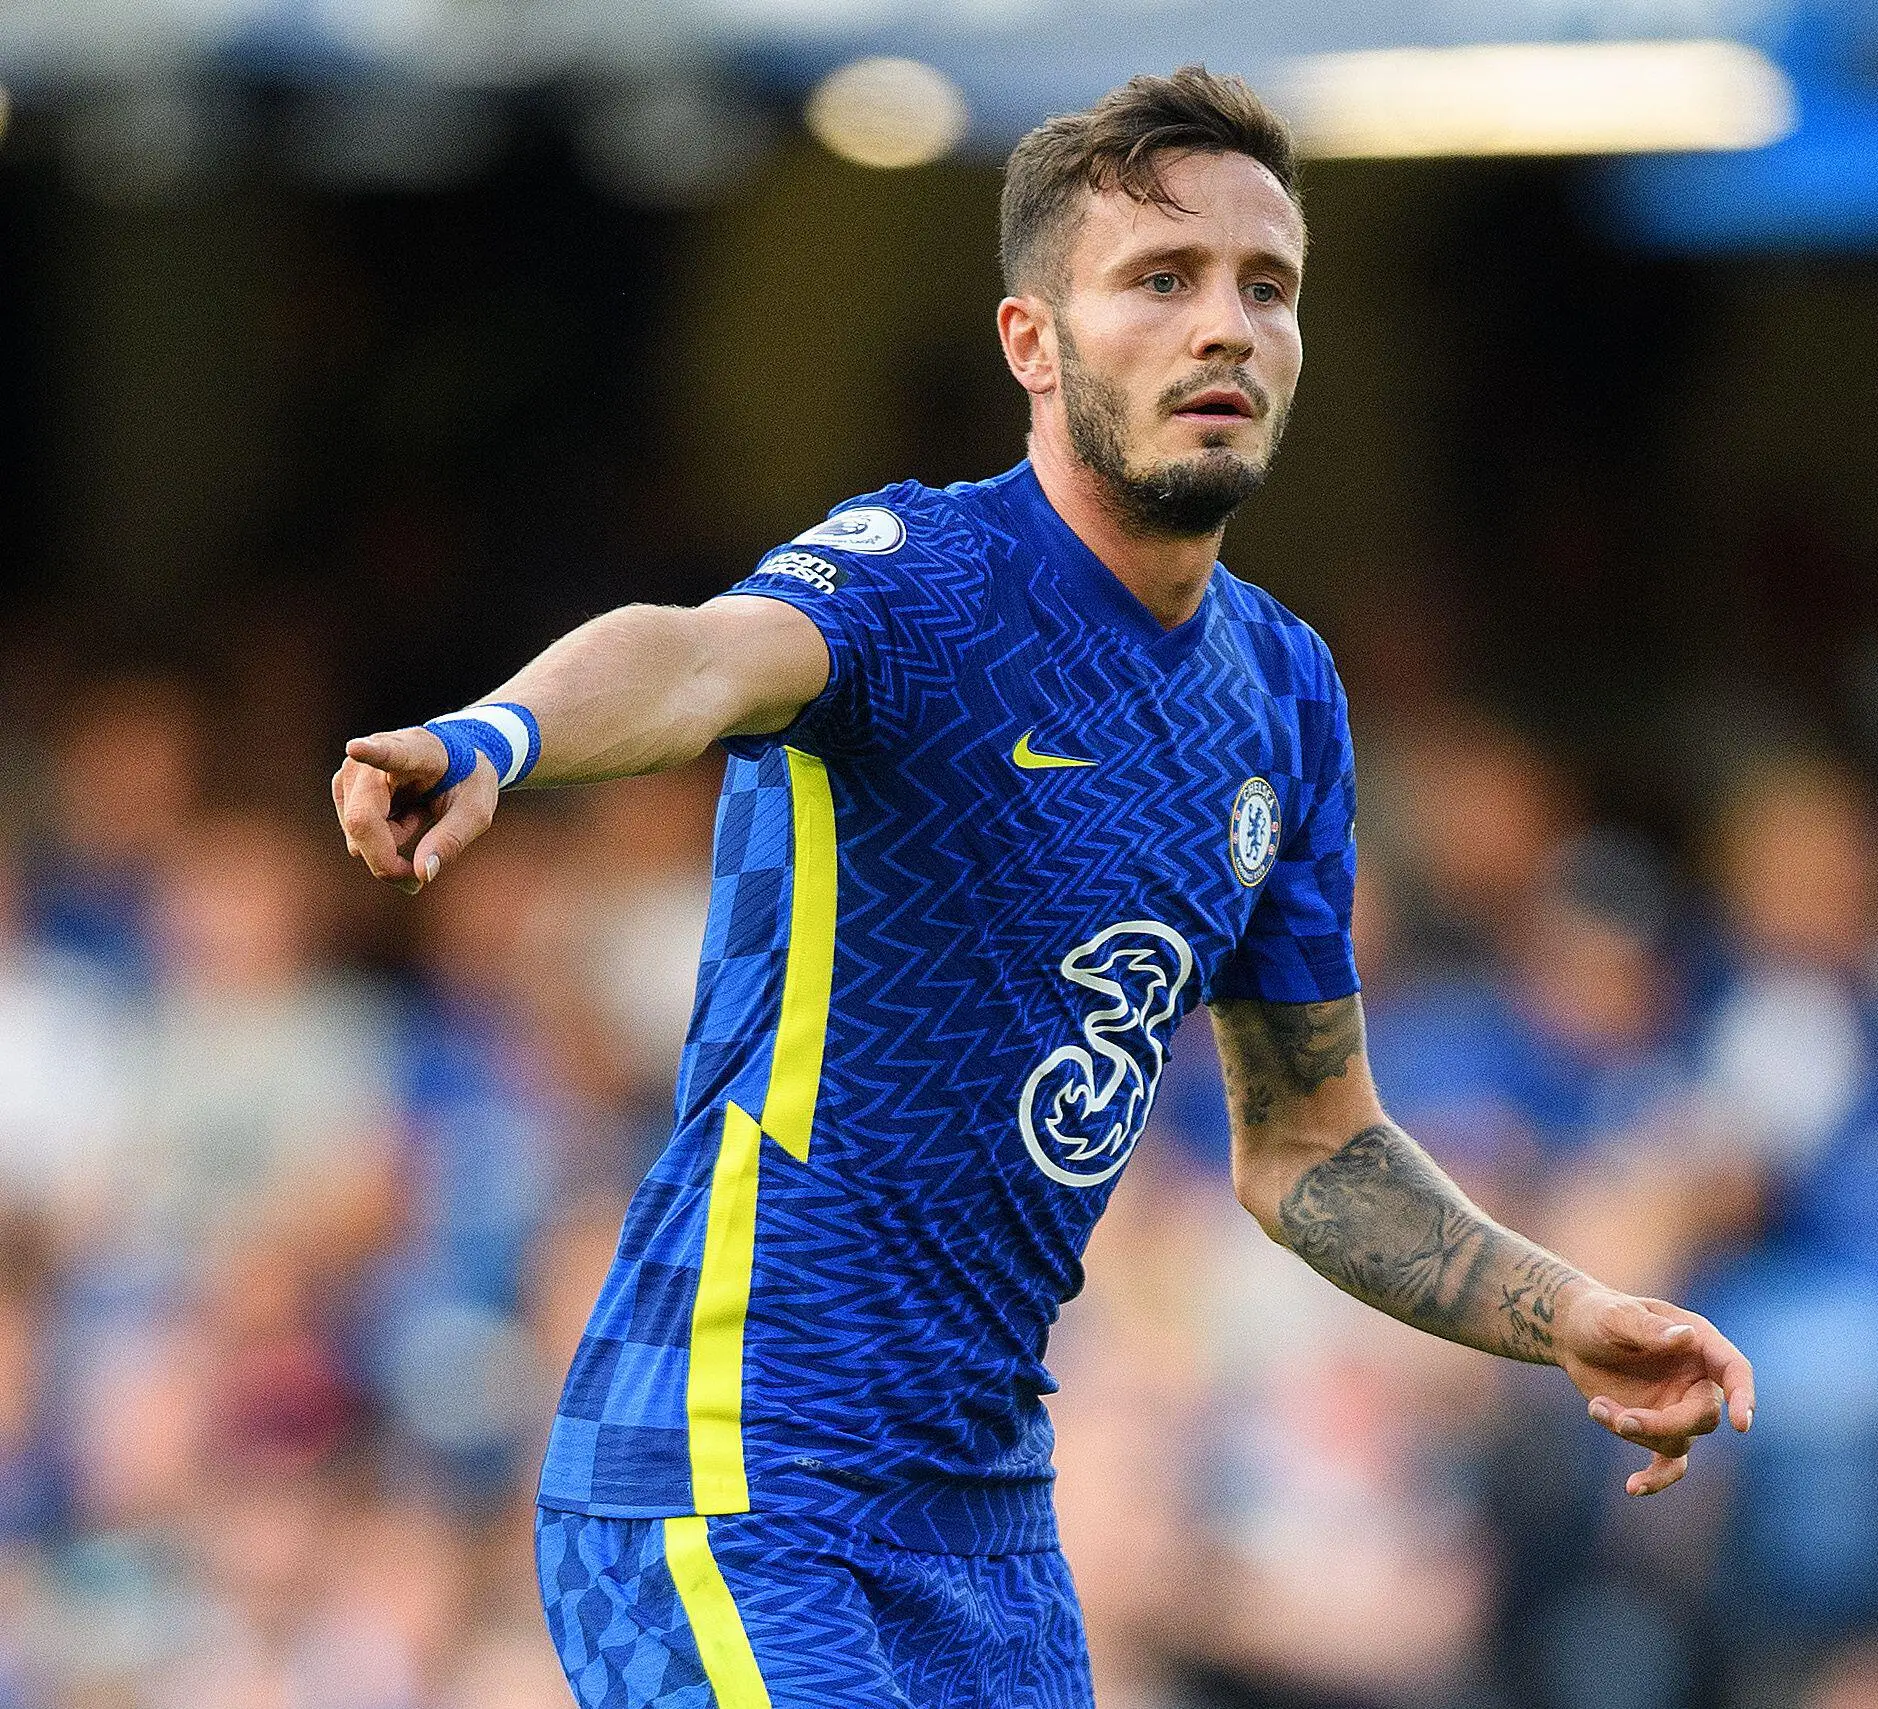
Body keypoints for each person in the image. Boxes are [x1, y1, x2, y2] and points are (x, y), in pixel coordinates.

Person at [332, 67, 1754, 1709]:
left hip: (988, 1534)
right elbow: (693, 658)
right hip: (734, 1473)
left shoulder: (1281, 695)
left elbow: (1310, 1148)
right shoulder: (926, 579)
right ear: (1033, 341)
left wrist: (1555, 1307)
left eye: (1265, 288)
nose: (1225, 327)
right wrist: (497, 732)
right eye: (1162, 280)